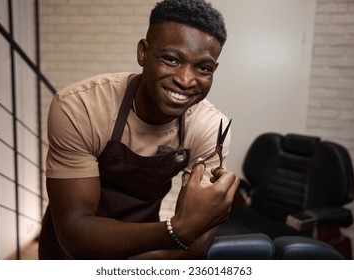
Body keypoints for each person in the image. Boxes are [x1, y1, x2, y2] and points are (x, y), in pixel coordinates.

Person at [39, 0, 239, 259]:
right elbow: (75, 232)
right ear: (143, 52)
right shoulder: (80, 107)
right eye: (171, 59)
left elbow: (197, 241)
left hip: (146, 250)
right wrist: (177, 231)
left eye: (203, 68)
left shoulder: (210, 127)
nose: (186, 80)